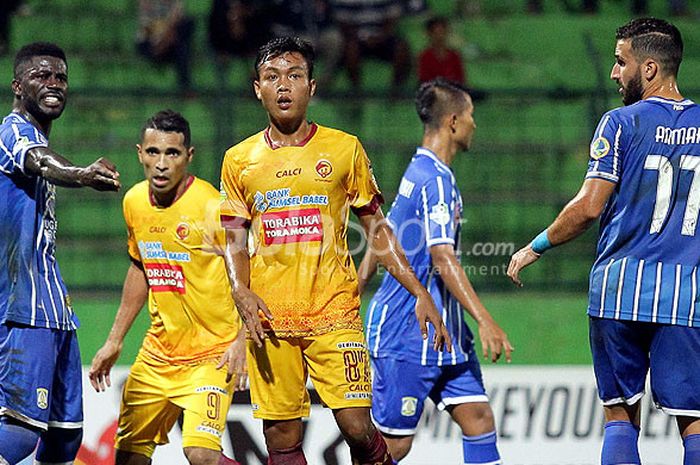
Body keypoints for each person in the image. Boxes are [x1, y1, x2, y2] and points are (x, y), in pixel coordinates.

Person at [218, 36, 451, 465]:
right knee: (282, 438)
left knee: (357, 426)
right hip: (271, 317)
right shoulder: (238, 160)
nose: (283, 86)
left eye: (294, 76)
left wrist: (419, 292)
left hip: (334, 310)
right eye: (272, 77)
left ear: (312, 86)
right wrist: (240, 289)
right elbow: (234, 234)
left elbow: (377, 229)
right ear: (257, 88)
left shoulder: (345, 149)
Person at [508, 18, 700, 465]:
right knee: (693, 421)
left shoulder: (620, 123)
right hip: (686, 294)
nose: (615, 73)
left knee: (619, 416)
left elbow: (589, 206)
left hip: (619, 290)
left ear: (649, 69)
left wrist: (535, 246)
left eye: (621, 62)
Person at [357, 78, 512, 464]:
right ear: (454, 122)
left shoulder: (418, 171)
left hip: (447, 336)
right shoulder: (436, 180)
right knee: (392, 446)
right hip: (408, 334)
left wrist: (355, 289)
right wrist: (486, 320)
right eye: (472, 116)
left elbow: (382, 234)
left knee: (478, 418)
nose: (476, 124)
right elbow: (442, 257)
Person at [88, 110, 245, 465]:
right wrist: (115, 339)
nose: (161, 164)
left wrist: (242, 338)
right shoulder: (134, 202)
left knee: (201, 454)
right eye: (153, 152)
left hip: (212, 353)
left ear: (189, 157)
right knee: (128, 457)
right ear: (140, 153)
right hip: (158, 354)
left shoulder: (212, 206)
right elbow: (140, 266)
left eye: (172, 153)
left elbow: (252, 270)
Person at [0, 42, 121, 465]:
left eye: (60, 77)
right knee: (17, 435)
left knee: (64, 440)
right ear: (18, 86)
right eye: (41, 76)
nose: (53, 84)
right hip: (23, 306)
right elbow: (40, 161)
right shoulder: (12, 129)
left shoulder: (37, 135)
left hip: (55, 307)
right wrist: (82, 175)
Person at [330, 0, 411, 92]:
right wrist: (363, 36)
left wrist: (380, 36)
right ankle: (356, 91)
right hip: (356, 38)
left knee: (401, 48)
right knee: (351, 49)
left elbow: (392, 19)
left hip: (383, 37)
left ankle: (395, 90)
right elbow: (343, 23)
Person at [136, 0, 195, 93]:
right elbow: (146, 29)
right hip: (150, 42)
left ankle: (185, 87)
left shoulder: (177, 4)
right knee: (179, 43)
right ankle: (160, 48)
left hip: (170, 43)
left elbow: (177, 24)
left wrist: (168, 36)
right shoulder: (147, 3)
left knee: (187, 25)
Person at [417, 17, 467, 85]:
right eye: (436, 33)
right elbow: (424, 80)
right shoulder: (424, 56)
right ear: (429, 34)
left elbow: (460, 79)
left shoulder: (455, 56)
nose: (440, 36)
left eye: (442, 32)